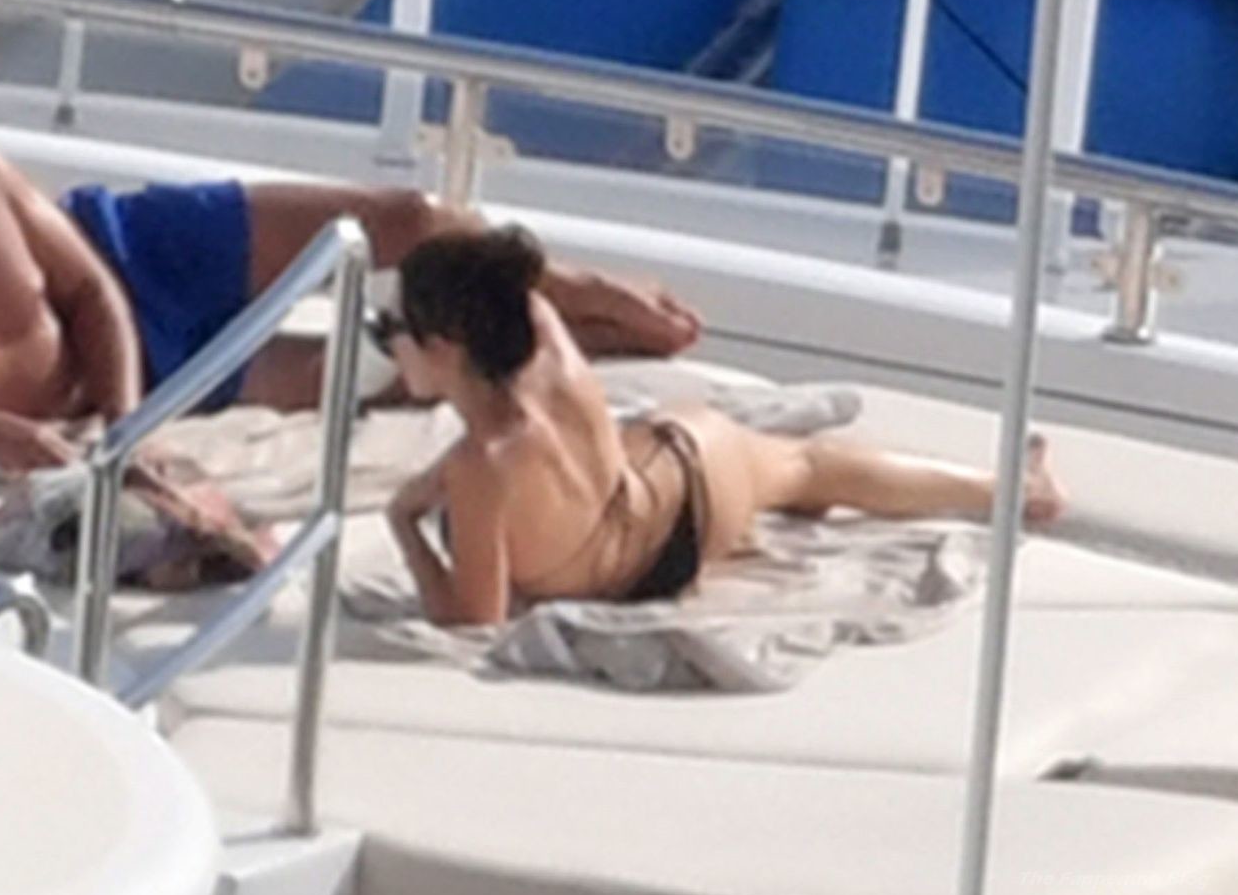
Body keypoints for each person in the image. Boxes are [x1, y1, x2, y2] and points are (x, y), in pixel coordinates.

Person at [0, 46, 702, 470]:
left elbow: (90, 287)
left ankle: (578, 287)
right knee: (394, 374)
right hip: (144, 380)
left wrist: (125, 421)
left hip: (135, 257)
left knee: (408, 218)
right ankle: (574, 333)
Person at [380, 226, 1068, 628]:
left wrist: (406, 526)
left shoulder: (482, 465)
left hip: (648, 559)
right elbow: (512, 288)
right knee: (811, 467)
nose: (388, 344)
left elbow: (473, 622)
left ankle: (1010, 489)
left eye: (392, 331)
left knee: (810, 470)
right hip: (686, 467)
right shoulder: (541, 331)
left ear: (443, 345)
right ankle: (1008, 488)